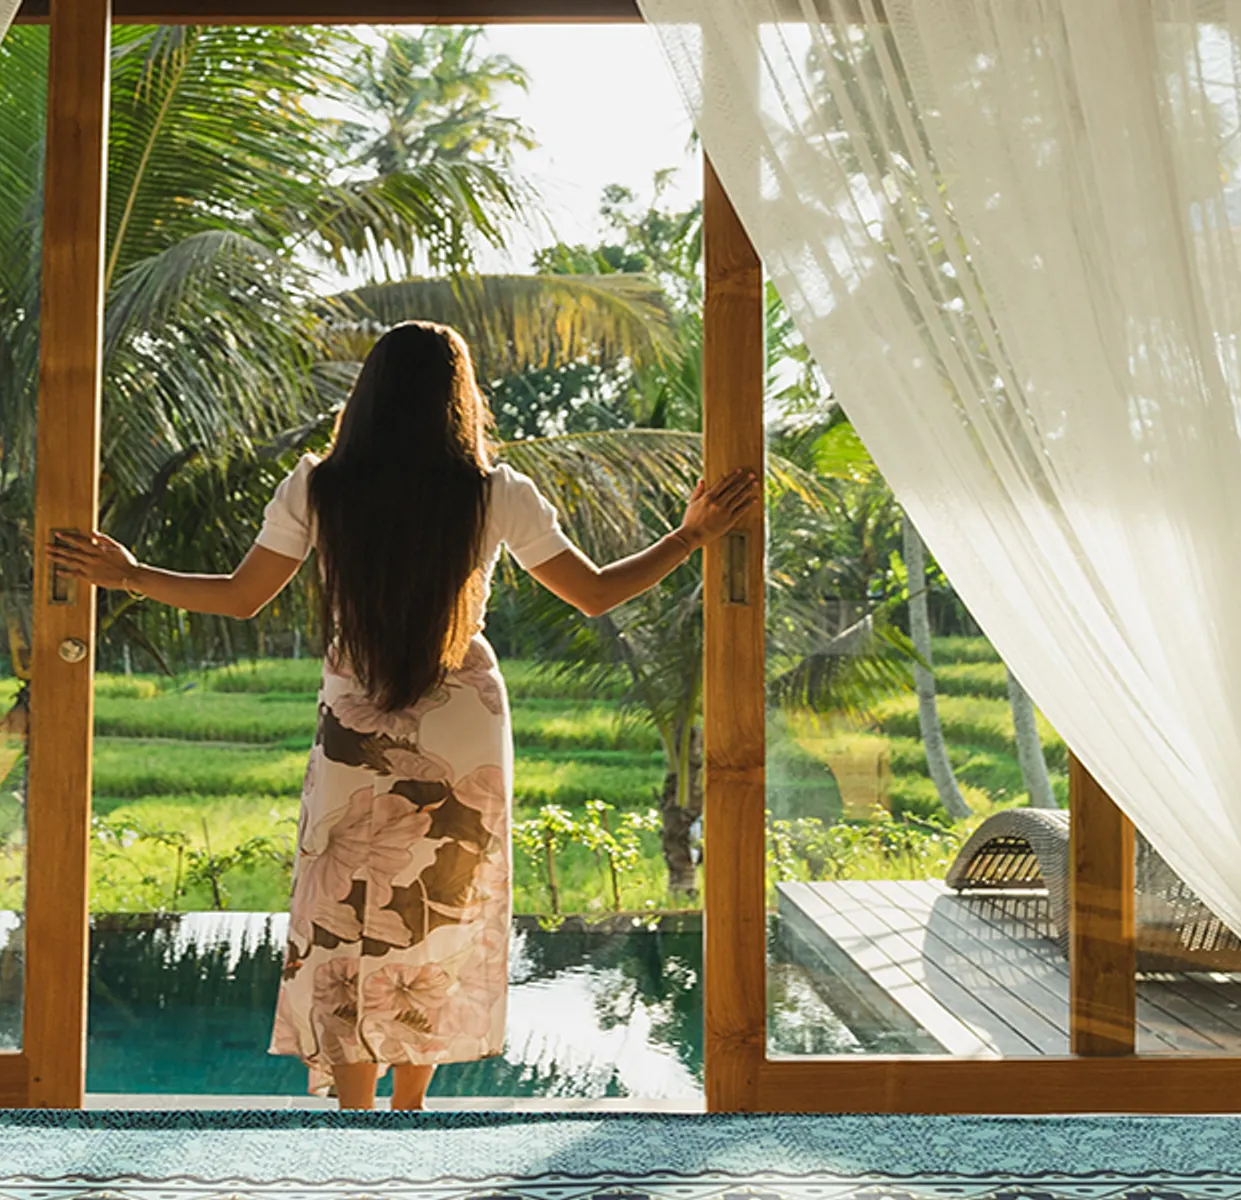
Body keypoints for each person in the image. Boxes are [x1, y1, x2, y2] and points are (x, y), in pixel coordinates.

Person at [49, 320, 759, 1111]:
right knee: (439, 900)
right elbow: (594, 593)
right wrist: (691, 536)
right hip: (464, 714)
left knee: (348, 898)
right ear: (460, 399)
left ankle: (356, 1110)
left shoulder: (316, 486)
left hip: (357, 711)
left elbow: (242, 597)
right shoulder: (497, 492)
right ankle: (411, 1108)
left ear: (368, 396)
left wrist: (132, 574)